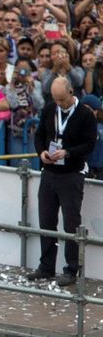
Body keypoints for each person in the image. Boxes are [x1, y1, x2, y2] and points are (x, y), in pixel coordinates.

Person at [31, 77, 97, 287]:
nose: (59, 104)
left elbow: (88, 144)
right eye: (55, 99)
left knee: (71, 223)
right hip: (49, 172)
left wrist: (67, 152)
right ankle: (46, 266)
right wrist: (41, 152)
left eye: (62, 100)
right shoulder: (50, 109)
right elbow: (40, 134)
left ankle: (71, 269)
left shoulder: (85, 114)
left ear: (71, 92)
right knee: (47, 220)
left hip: (71, 174)